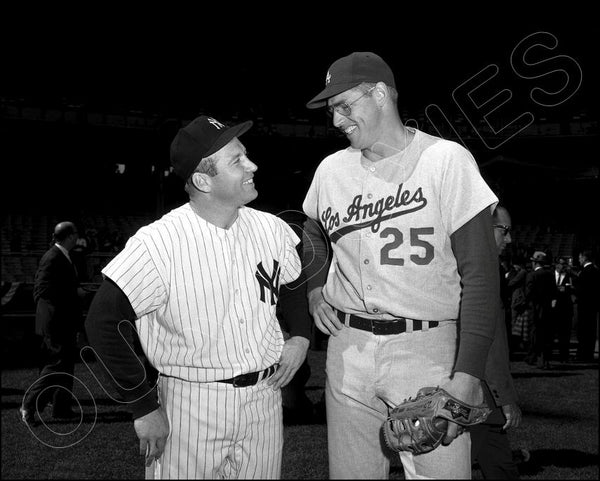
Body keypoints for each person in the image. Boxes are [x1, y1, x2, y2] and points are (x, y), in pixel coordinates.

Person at [302, 51, 500, 479]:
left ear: (378, 94)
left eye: (343, 106)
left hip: (426, 350)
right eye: (332, 110)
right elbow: (313, 231)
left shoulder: (447, 161)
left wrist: (466, 375)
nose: (336, 121)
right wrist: (316, 287)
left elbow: (482, 279)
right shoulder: (331, 170)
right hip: (347, 349)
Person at [85, 115, 311, 479]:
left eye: (246, 155)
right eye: (237, 161)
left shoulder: (270, 227)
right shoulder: (158, 242)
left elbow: (292, 281)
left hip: (265, 400)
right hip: (192, 404)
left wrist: (301, 335)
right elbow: (101, 323)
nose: (252, 165)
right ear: (203, 180)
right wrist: (142, 406)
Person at [470, 205, 522, 479]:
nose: (509, 240)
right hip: (479, 395)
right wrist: (505, 397)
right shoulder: (481, 272)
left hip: (476, 394)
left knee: (501, 466)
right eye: (505, 231)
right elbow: (487, 340)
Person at [20, 221, 82, 423]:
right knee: (57, 364)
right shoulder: (53, 257)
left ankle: (61, 407)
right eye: (76, 234)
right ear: (70, 236)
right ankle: (29, 404)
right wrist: (68, 299)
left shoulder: (61, 256)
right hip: (56, 322)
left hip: (63, 321)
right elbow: (41, 291)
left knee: (66, 364)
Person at [524, 251, 556, 369]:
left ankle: (533, 357)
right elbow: (554, 292)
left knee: (534, 333)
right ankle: (544, 359)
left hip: (535, 308)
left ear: (535, 263)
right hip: (547, 308)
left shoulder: (531, 275)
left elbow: (528, 293)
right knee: (546, 334)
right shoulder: (550, 275)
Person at [574, 250, 600, 362]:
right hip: (593, 305)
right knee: (591, 331)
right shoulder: (596, 270)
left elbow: (581, 290)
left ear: (584, 258)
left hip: (584, 305)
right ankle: (588, 354)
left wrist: (572, 289)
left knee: (583, 331)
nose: (579, 260)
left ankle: (582, 355)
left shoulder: (584, 272)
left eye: (580, 257)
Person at [551, 257, 575, 363]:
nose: (563, 266)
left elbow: (572, 290)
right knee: (551, 333)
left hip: (565, 309)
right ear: (556, 265)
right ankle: (549, 356)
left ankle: (564, 356)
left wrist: (565, 289)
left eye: (564, 264)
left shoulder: (569, 276)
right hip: (552, 309)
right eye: (561, 264)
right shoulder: (550, 276)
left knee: (564, 334)